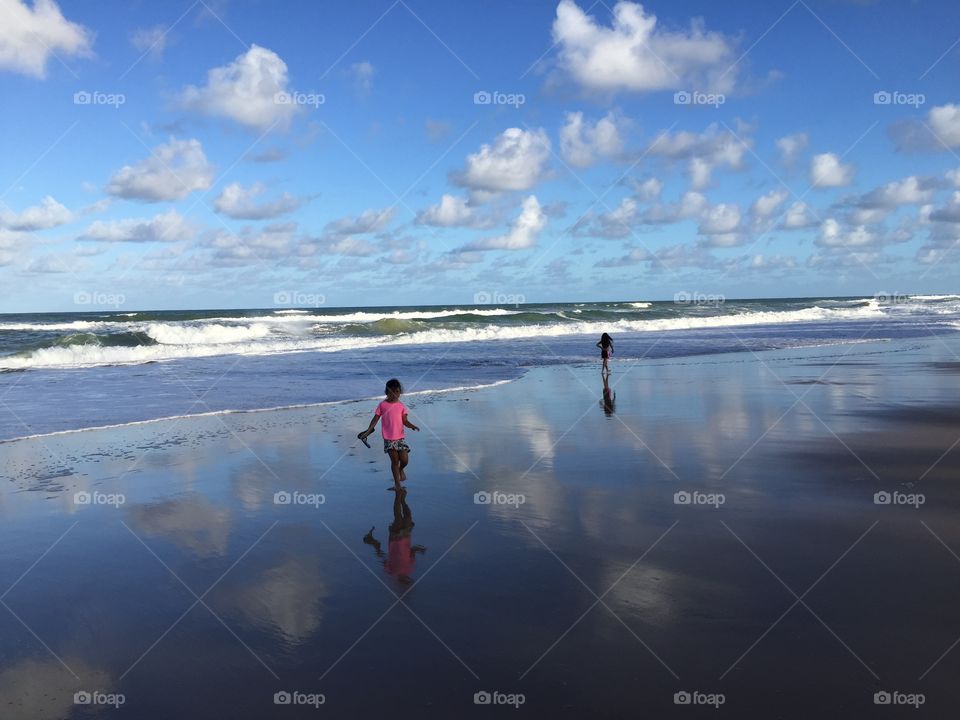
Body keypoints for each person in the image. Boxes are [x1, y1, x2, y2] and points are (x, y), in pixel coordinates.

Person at [358, 378, 419, 489]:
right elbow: (375, 419)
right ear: (387, 392)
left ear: (400, 392)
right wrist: (367, 432)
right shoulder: (382, 405)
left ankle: (401, 470)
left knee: (405, 460)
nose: (395, 395)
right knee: (395, 461)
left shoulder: (401, 406)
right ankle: (397, 484)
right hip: (388, 438)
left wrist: (412, 426)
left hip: (400, 438)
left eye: (397, 392)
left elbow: (405, 421)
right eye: (392, 392)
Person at [362, 487, 426, 585]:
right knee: (408, 516)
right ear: (409, 579)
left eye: (406, 582)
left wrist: (375, 545)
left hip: (395, 539)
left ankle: (398, 495)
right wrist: (419, 549)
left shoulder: (392, 572)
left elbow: (383, 558)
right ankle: (402, 500)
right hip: (406, 537)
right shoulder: (410, 568)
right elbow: (411, 552)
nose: (407, 579)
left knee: (398, 517)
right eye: (409, 581)